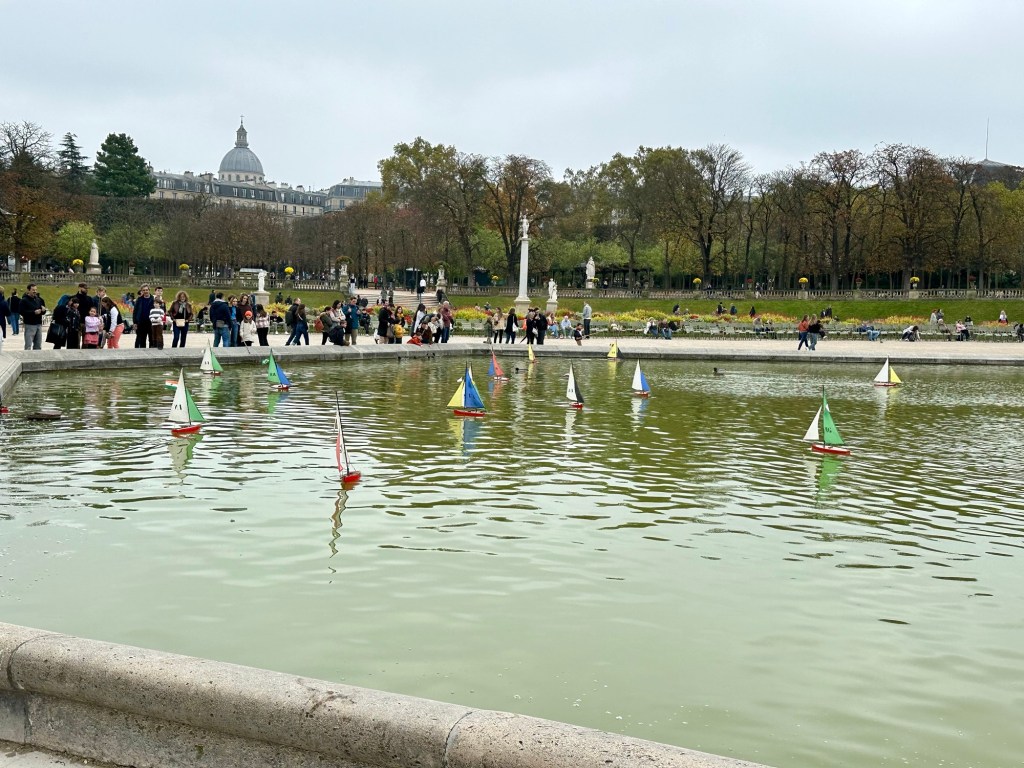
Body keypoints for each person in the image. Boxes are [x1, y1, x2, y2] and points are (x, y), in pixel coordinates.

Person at [133, 284, 155, 348]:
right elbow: (135, 311)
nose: (145, 291)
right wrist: (135, 322)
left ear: (149, 290)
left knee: (151, 339)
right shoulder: (139, 299)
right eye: (144, 290)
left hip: (151, 322)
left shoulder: (153, 299)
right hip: (141, 322)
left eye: (146, 290)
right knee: (142, 340)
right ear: (142, 291)